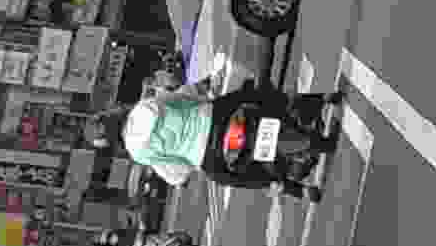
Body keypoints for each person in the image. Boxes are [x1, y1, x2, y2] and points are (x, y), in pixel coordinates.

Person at [120, 74, 331, 194]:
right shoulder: (146, 106)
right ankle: (312, 100)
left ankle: (293, 189)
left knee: (235, 179)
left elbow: (173, 169)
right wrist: (201, 92)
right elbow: (183, 98)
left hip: (207, 156)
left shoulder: (137, 152)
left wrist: (182, 177)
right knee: (254, 95)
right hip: (215, 115)